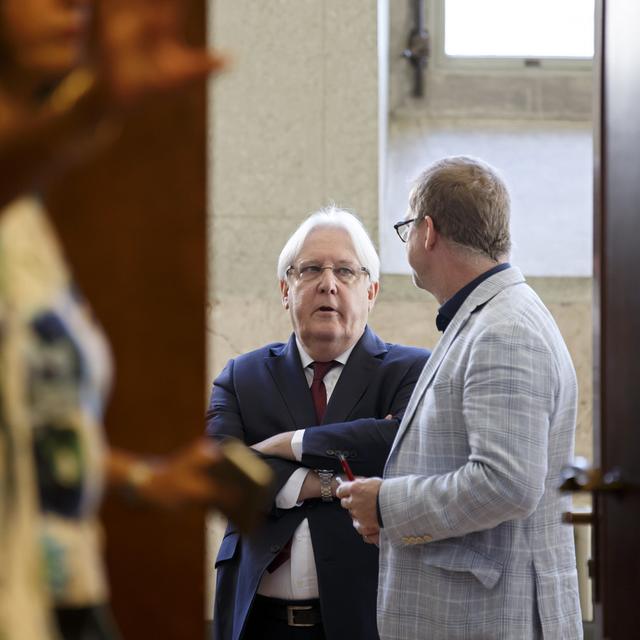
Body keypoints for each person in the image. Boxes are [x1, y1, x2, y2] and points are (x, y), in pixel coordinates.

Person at [0, 1, 248, 638]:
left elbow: (35, 429)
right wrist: (93, 109)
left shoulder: (23, 219)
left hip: (58, 594)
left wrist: (145, 477)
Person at [337, 156, 583, 640]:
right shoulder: (490, 317)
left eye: (406, 228)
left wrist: (388, 505)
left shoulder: (504, 329)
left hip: (489, 619)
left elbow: (506, 484)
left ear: (428, 232)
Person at [206, 207, 430, 640]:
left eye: (346, 271)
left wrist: (289, 446)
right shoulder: (243, 376)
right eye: (310, 270)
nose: (328, 283)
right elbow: (221, 475)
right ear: (286, 290)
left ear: (372, 291)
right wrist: (325, 484)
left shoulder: (412, 372)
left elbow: (399, 448)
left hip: (365, 620)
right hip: (255, 620)